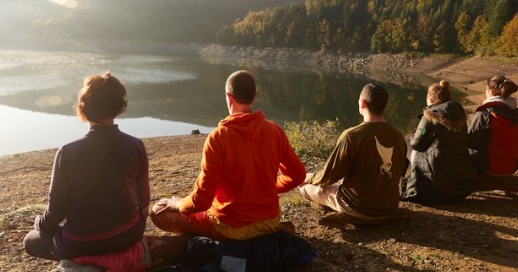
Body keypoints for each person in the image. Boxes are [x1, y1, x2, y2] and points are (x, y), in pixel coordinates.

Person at [150, 70, 306, 241]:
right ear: (254, 96)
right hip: (269, 223)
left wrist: (177, 204)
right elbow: (298, 175)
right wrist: (265, 189)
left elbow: (202, 201)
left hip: (229, 228)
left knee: (157, 212)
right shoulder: (275, 130)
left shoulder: (218, 137)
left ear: (228, 96)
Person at [23, 72, 150, 260]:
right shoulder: (136, 146)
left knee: (30, 240)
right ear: (119, 107)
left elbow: (56, 211)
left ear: (83, 107)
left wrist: (39, 225)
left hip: (80, 242)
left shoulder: (67, 152)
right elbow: (144, 201)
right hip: (128, 236)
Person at [299, 82, 406, 223]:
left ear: (362, 103)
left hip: (360, 207)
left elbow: (329, 176)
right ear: (384, 106)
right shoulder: (398, 136)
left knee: (306, 189)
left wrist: (307, 177)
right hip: (390, 206)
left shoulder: (352, 136)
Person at [401, 80, 477, 204]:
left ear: (431, 99)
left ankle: (400, 181)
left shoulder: (431, 115)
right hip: (457, 169)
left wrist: (421, 133)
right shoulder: (460, 115)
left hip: (435, 170)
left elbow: (417, 145)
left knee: (407, 140)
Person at [468, 75, 518, 176]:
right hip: (512, 166)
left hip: (489, 167)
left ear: (490, 90)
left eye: (486, 88)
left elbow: (470, 141)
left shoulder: (485, 114)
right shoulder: (516, 114)